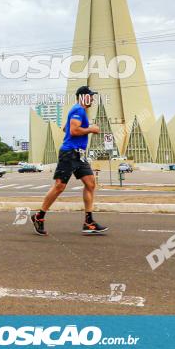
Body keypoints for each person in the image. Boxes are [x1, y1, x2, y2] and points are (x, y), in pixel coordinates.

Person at [31, 85, 108, 236]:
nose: (92, 98)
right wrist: (91, 129)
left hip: (80, 154)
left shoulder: (79, 111)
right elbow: (73, 130)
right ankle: (39, 217)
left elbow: (65, 128)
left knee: (91, 184)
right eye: (90, 96)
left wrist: (80, 129)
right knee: (60, 186)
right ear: (82, 97)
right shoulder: (78, 110)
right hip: (69, 153)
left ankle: (88, 222)